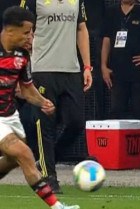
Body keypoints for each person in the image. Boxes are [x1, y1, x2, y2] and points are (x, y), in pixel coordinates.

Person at [0, 6, 80, 209]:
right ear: (10, 31)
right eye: (27, 32)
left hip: (9, 116)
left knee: (11, 161)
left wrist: (42, 101)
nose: (31, 36)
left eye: (32, 31)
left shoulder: (22, 55)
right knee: (25, 154)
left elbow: (26, 88)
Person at [25, 0, 93, 193]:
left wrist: (87, 66)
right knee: (45, 126)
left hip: (71, 70)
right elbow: (21, 26)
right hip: (43, 69)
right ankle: (49, 177)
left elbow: (81, 29)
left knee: (76, 122)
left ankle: (47, 160)